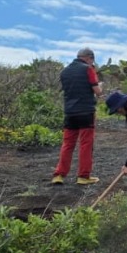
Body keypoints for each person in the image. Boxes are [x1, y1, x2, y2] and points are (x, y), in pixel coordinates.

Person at [52, 48, 103, 185]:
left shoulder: (65, 71)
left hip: (70, 112)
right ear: (89, 58)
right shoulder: (88, 69)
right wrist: (100, 86)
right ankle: (83, 176)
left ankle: (59, 175)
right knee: (86, 144)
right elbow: (97, 92)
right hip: (86, 112)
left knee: (68, 144)